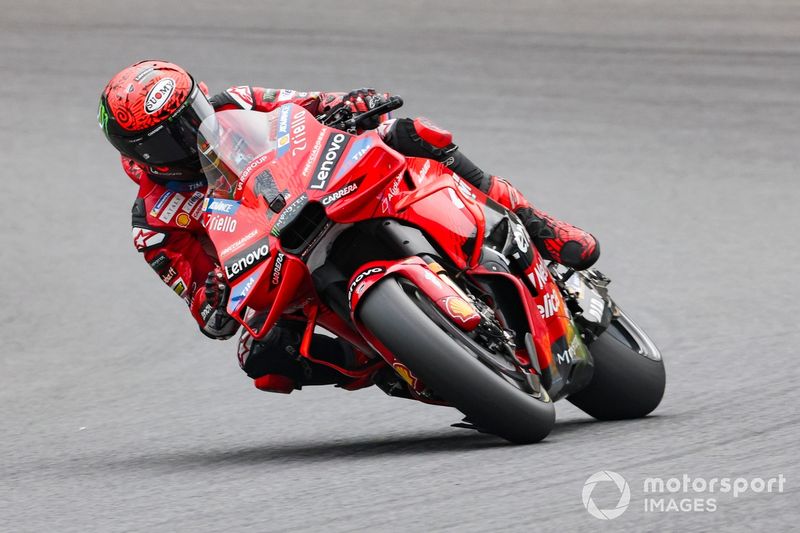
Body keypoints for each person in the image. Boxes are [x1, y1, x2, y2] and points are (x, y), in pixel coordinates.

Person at [99, 60, 599, 394]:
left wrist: (354, 103)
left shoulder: (237, 102)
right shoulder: (155, 222)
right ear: (141, 154)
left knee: (413, 134)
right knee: (263, 360)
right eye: (173, 136)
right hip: (275, 266)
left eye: (194, 115)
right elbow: (207, 315)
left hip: (318, 186)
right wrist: (212, 296)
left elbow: (311, 104)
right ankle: (398, 360)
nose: (193, 134)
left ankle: (541, 226)